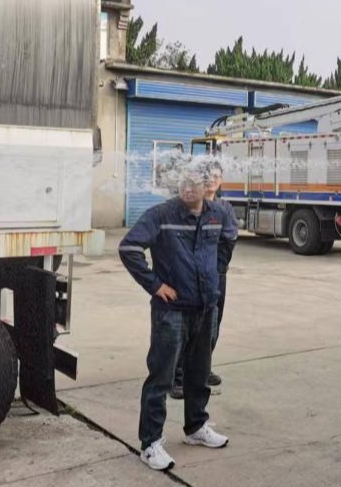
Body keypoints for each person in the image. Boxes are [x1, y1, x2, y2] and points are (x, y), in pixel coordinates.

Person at [118, 166, 238, 471]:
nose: (188, 188)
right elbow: (129, 248)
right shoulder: (162, 215)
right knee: (161, 377)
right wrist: (155, 285)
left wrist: (215, 275)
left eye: (194, 183)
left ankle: (196, 427)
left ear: (206, 186)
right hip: (171, 311)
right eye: (183, 183)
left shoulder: (217, 214)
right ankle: (150, 443)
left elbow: (227, 242)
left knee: (199, 373)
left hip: (205, 308)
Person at [170, 158, 236, 398]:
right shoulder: (188, 206)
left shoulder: (224, 209)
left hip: (215, 277)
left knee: (212, 326)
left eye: (216, 175)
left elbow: (229, 240)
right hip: (190, 278)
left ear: (221, 180)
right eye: (207, 175)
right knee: (187, 328)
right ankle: (177, 378)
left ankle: (201, 370)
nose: (211, 180)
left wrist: (216, 268)